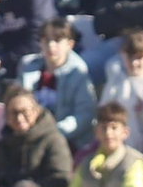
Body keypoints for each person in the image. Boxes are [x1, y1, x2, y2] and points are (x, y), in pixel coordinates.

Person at [19, 18, 96, 150]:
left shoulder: (78, 72)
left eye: (58, 40)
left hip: (66, 142)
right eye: (47, 40)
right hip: (30, 137)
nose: (51, 46)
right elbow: (17, 103)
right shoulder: (27, 66)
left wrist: (52, 133)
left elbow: (85, 115)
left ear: (70, 45)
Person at [101, 27, 143, 156]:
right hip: (119, 150)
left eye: (139, 57)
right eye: (129, 57)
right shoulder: (116, 82)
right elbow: (102, 113)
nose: (134, 62)